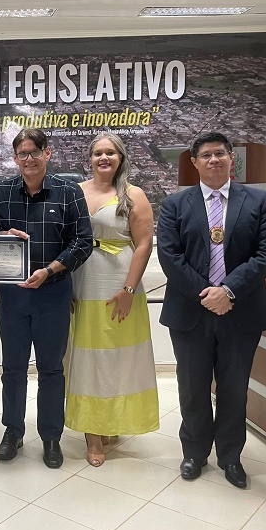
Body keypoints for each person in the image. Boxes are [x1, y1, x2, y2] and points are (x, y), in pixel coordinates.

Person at [157, 132, 266, 489]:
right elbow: (170, 256)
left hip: (240, 311)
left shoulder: (258, 201)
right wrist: (206, 293)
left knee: (234, 388)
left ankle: (230, 457)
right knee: (192, 387)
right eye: (206, 155)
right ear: (194, 162)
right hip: (190, 311)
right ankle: (194, 452)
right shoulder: (175, 205)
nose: (214, 160)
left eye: (220, 154)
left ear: (231, 160)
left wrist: (228, 290)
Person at [0, 128, 93, 469]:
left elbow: (83, 240)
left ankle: (50, 437)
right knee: (12, 368)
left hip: (52, 292)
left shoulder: (68, 191)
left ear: (47, 153)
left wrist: (51, 269)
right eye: (21, 154)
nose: (28, 159)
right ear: (14, 158)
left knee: (50, 368)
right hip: (12, 294)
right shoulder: (2, 192)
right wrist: (1, 233)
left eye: (34, 152)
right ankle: (13, 431)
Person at [64, 132, 159, 467]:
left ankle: (112, 419)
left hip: (120, 283)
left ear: (121, 158)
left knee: (118, 357)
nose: (103, 158)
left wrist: (129, 290)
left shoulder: (133, 195)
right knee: (89, 358)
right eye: (97, 153)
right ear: (89, 159)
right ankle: (93, 433)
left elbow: (144, 243)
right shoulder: (75, 192)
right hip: (83, 280)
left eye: (110, 153)